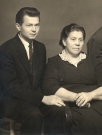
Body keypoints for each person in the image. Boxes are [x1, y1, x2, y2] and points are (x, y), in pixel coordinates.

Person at [42, 23, 102, 134]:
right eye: (73, 39)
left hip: (94, 99)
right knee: (89, 121)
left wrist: (89, 96)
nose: (77, 43)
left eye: (81, 40)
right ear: (64, 41)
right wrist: (78, 98)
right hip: (70, 103)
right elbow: (50, 87)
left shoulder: (93, 60)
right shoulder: (54, 62)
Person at [0, 7, 66, 135]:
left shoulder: (40, 47)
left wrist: (52, 96)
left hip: (34, 97)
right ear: (18, 26)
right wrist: (43, 98)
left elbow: (41, 79)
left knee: (59, 109)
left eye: (37, 25)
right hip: (12, 101)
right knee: (34, 115)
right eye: (29, 25)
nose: (34, 29)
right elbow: (11, 87)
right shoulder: (6, 49)